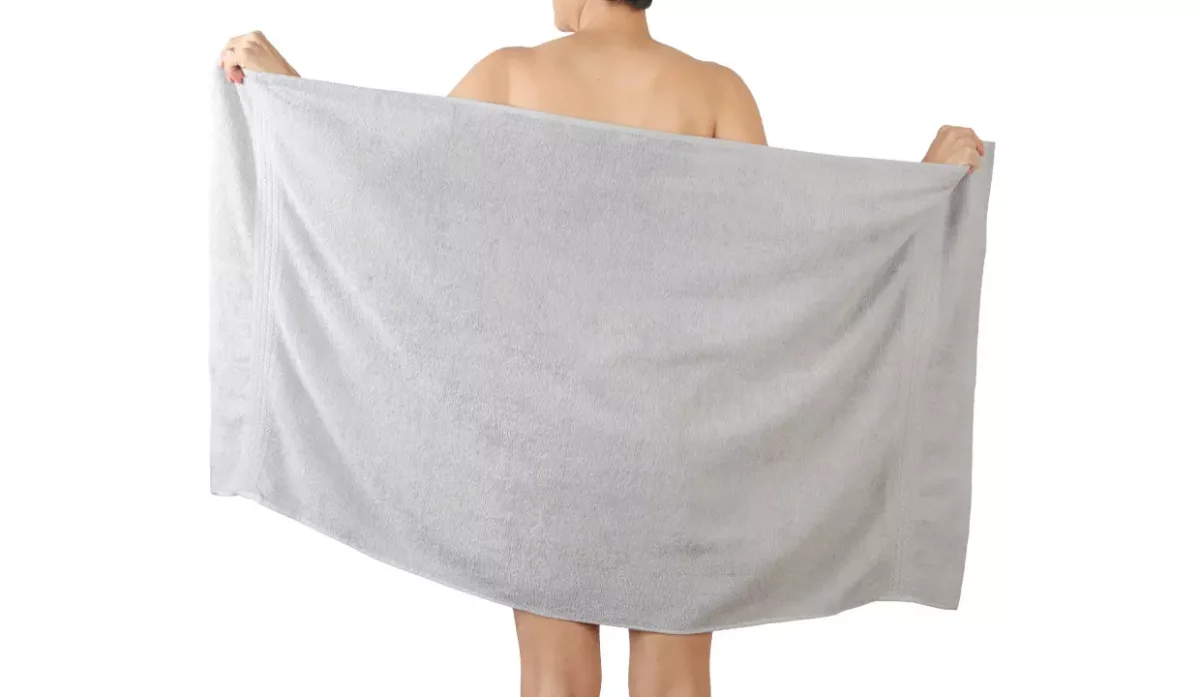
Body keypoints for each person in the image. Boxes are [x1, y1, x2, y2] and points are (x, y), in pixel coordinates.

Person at [218, 2, 984, 696]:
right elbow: (780, 268)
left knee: (555, 677)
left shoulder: (510, 75)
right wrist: (925, 185)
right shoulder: (717, 93)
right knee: (676, 680)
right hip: (685, 436)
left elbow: (393, 195)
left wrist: (288, 93)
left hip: (544, 440)